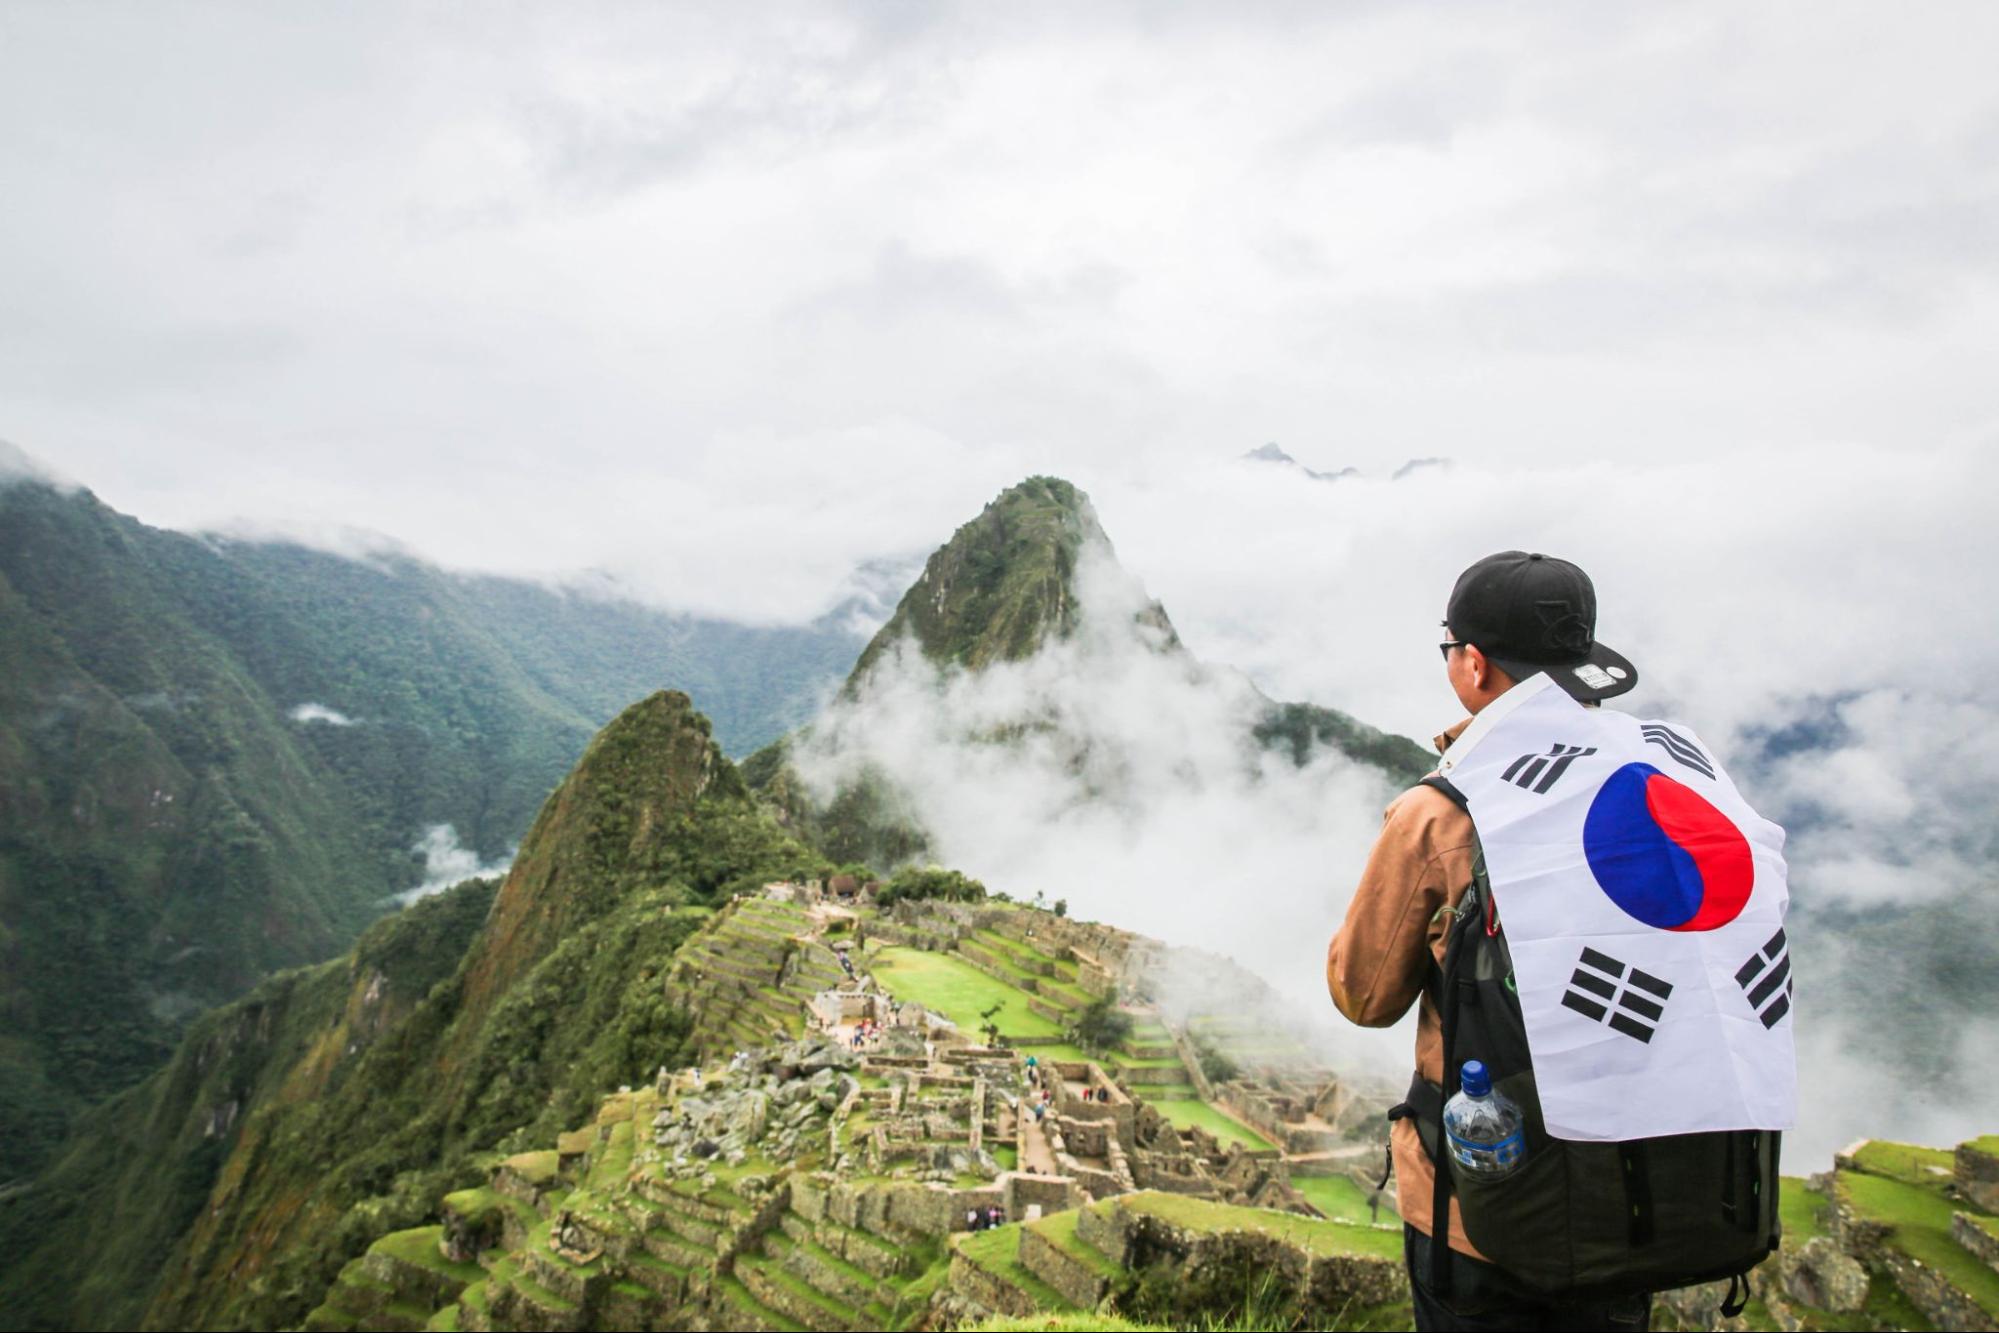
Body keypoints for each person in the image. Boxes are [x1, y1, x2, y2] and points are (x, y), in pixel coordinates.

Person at [1327, 551, 1794, 1332]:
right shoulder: (1677, 779)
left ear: (1472, 663)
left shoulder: (1446, 810)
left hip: (1487, 1202)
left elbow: (1364, 994)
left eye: (1450, 648)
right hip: (1635, 1188)